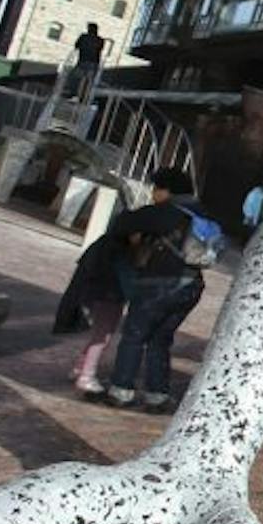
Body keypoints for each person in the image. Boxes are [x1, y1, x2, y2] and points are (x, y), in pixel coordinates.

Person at [102, 167, 210, 411]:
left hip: (159, 284)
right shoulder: (201, 213)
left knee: (134, 336)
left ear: (166, 190)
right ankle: (157, 395)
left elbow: (121, 224)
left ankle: (121, 390)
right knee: (160, 340)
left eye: (156, 189)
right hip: (191, 286)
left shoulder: (163, 212)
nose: (153, 194)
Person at [55, 224, 132, 400]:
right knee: (102, 336)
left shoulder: (104, 244)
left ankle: (79, 368)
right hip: (109, 295)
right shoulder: (120, 252)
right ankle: (86, 376)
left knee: (100, 334)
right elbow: (125, 279)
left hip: (97, 292)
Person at [66, 23, 105, 103]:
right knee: (89, 81)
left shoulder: (84, 37)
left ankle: (74, 95)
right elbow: (100, 48)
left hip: (83, 61)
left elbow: (76, 45)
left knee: (76, 78)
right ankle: (84, 97)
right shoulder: (100, 40)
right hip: (94, 63)